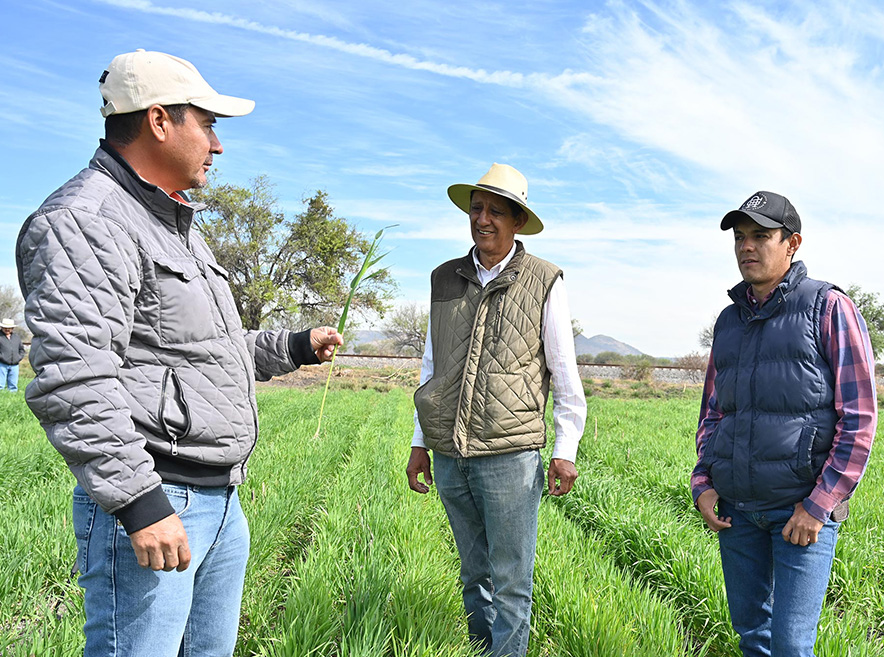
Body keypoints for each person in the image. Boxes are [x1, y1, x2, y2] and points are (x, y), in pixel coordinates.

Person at [15, 50, 343, 657]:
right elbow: (75, 377)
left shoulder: (172, 223)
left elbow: (201, 353)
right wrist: (140, 504)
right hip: (160, 501)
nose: (217, 145)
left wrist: (293, 346)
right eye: (208, 123)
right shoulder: (85, 221)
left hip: (219, 502)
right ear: (160, 120)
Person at [405, 163, 587, 657]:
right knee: (473, 572)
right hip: (449, 454)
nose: (483, 219)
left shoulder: (544, 280)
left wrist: (565, 449)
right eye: (477, 208)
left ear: (518, 222)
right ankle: (482, 649)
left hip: (511, 456)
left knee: (510, 580)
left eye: (496, 211)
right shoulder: (444, 278)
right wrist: (420, 443)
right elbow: (431, 365)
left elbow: (564, 374)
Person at [692, 191, 877, 657]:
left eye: (760, 236)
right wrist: (703, 482)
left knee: (792, 646)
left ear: (792, 243)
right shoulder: (729, 321)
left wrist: (819, 505)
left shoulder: (829, 308)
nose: (746, 247)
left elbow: (859, 418)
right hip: (737, 512)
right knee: (752, 636)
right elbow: (714, 412)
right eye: (739, 237)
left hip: (799, 513)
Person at [0, 318, 24, 392]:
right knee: (0, 385)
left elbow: (21, 349)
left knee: (13, 386)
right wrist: (2, 357)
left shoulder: (16, 337)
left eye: (9, 328)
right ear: (2, 327)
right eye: (5, 328)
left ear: (12, 328)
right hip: (1, 364)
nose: (7, 329)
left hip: (15, 365)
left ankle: (11, 399)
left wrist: (18, 358)